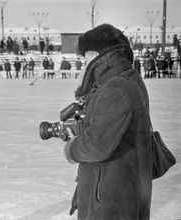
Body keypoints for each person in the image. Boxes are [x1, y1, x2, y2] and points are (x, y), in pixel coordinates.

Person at [64, 24, 152, 220]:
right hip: (117, 189)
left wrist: (72, 148)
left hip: (110, 199)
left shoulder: (116, 88)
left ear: (94, 55)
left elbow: (96, 146)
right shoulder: (127, 79)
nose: (83, 64)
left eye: (84, 58)